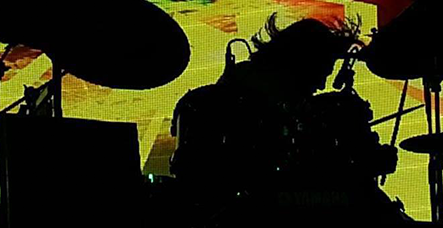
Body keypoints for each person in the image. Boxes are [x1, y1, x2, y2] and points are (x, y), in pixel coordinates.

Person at [169, 14, 411, 226]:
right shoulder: (251, 109)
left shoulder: (221, 98)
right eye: (320, 74)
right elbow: (274, 190)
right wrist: (356, 169)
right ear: (300, 65)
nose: (320, 86)